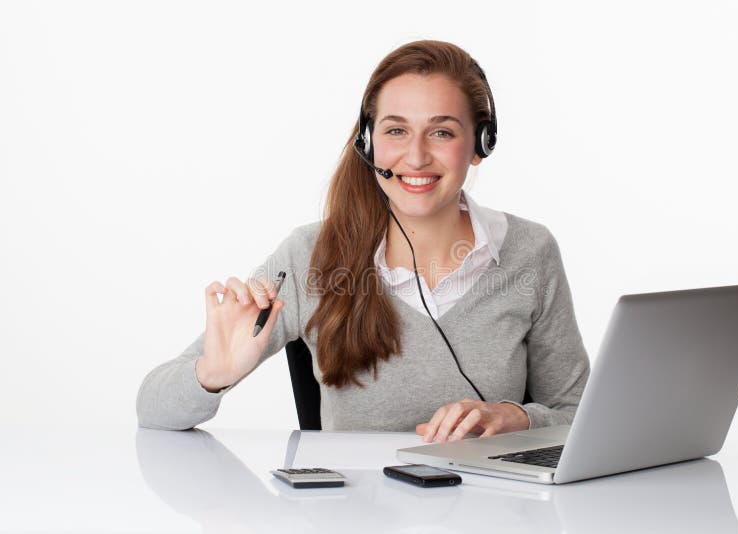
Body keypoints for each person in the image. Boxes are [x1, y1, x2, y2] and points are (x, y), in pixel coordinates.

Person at [136, 40, 590, 444]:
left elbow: (581, 417)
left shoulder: (531, 251)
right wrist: (213, 376)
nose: (415, 156)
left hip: (494, 511)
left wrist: (517, 418)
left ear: (480, 144)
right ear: (368, 143)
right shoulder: (309, 256)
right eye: (396, 130)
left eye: (442, 131)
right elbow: (152, 408)